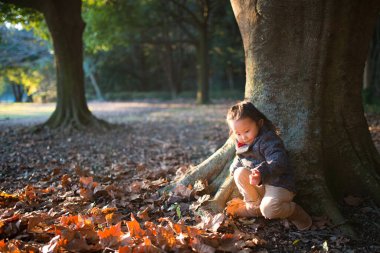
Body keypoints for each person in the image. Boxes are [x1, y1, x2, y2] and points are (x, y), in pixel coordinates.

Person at [226, 100, 312, 231]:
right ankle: (254, 207)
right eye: (238, 134)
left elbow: (279, 161)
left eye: (247, 131)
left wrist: (261, 172)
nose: (243, 137)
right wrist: (234, 167)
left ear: (259, 124)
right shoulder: (242, 143)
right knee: (239, 172)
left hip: (279, 183)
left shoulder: (268, 140)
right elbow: (241, 157)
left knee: (270, 210)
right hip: (260, 183)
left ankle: (296, 212)